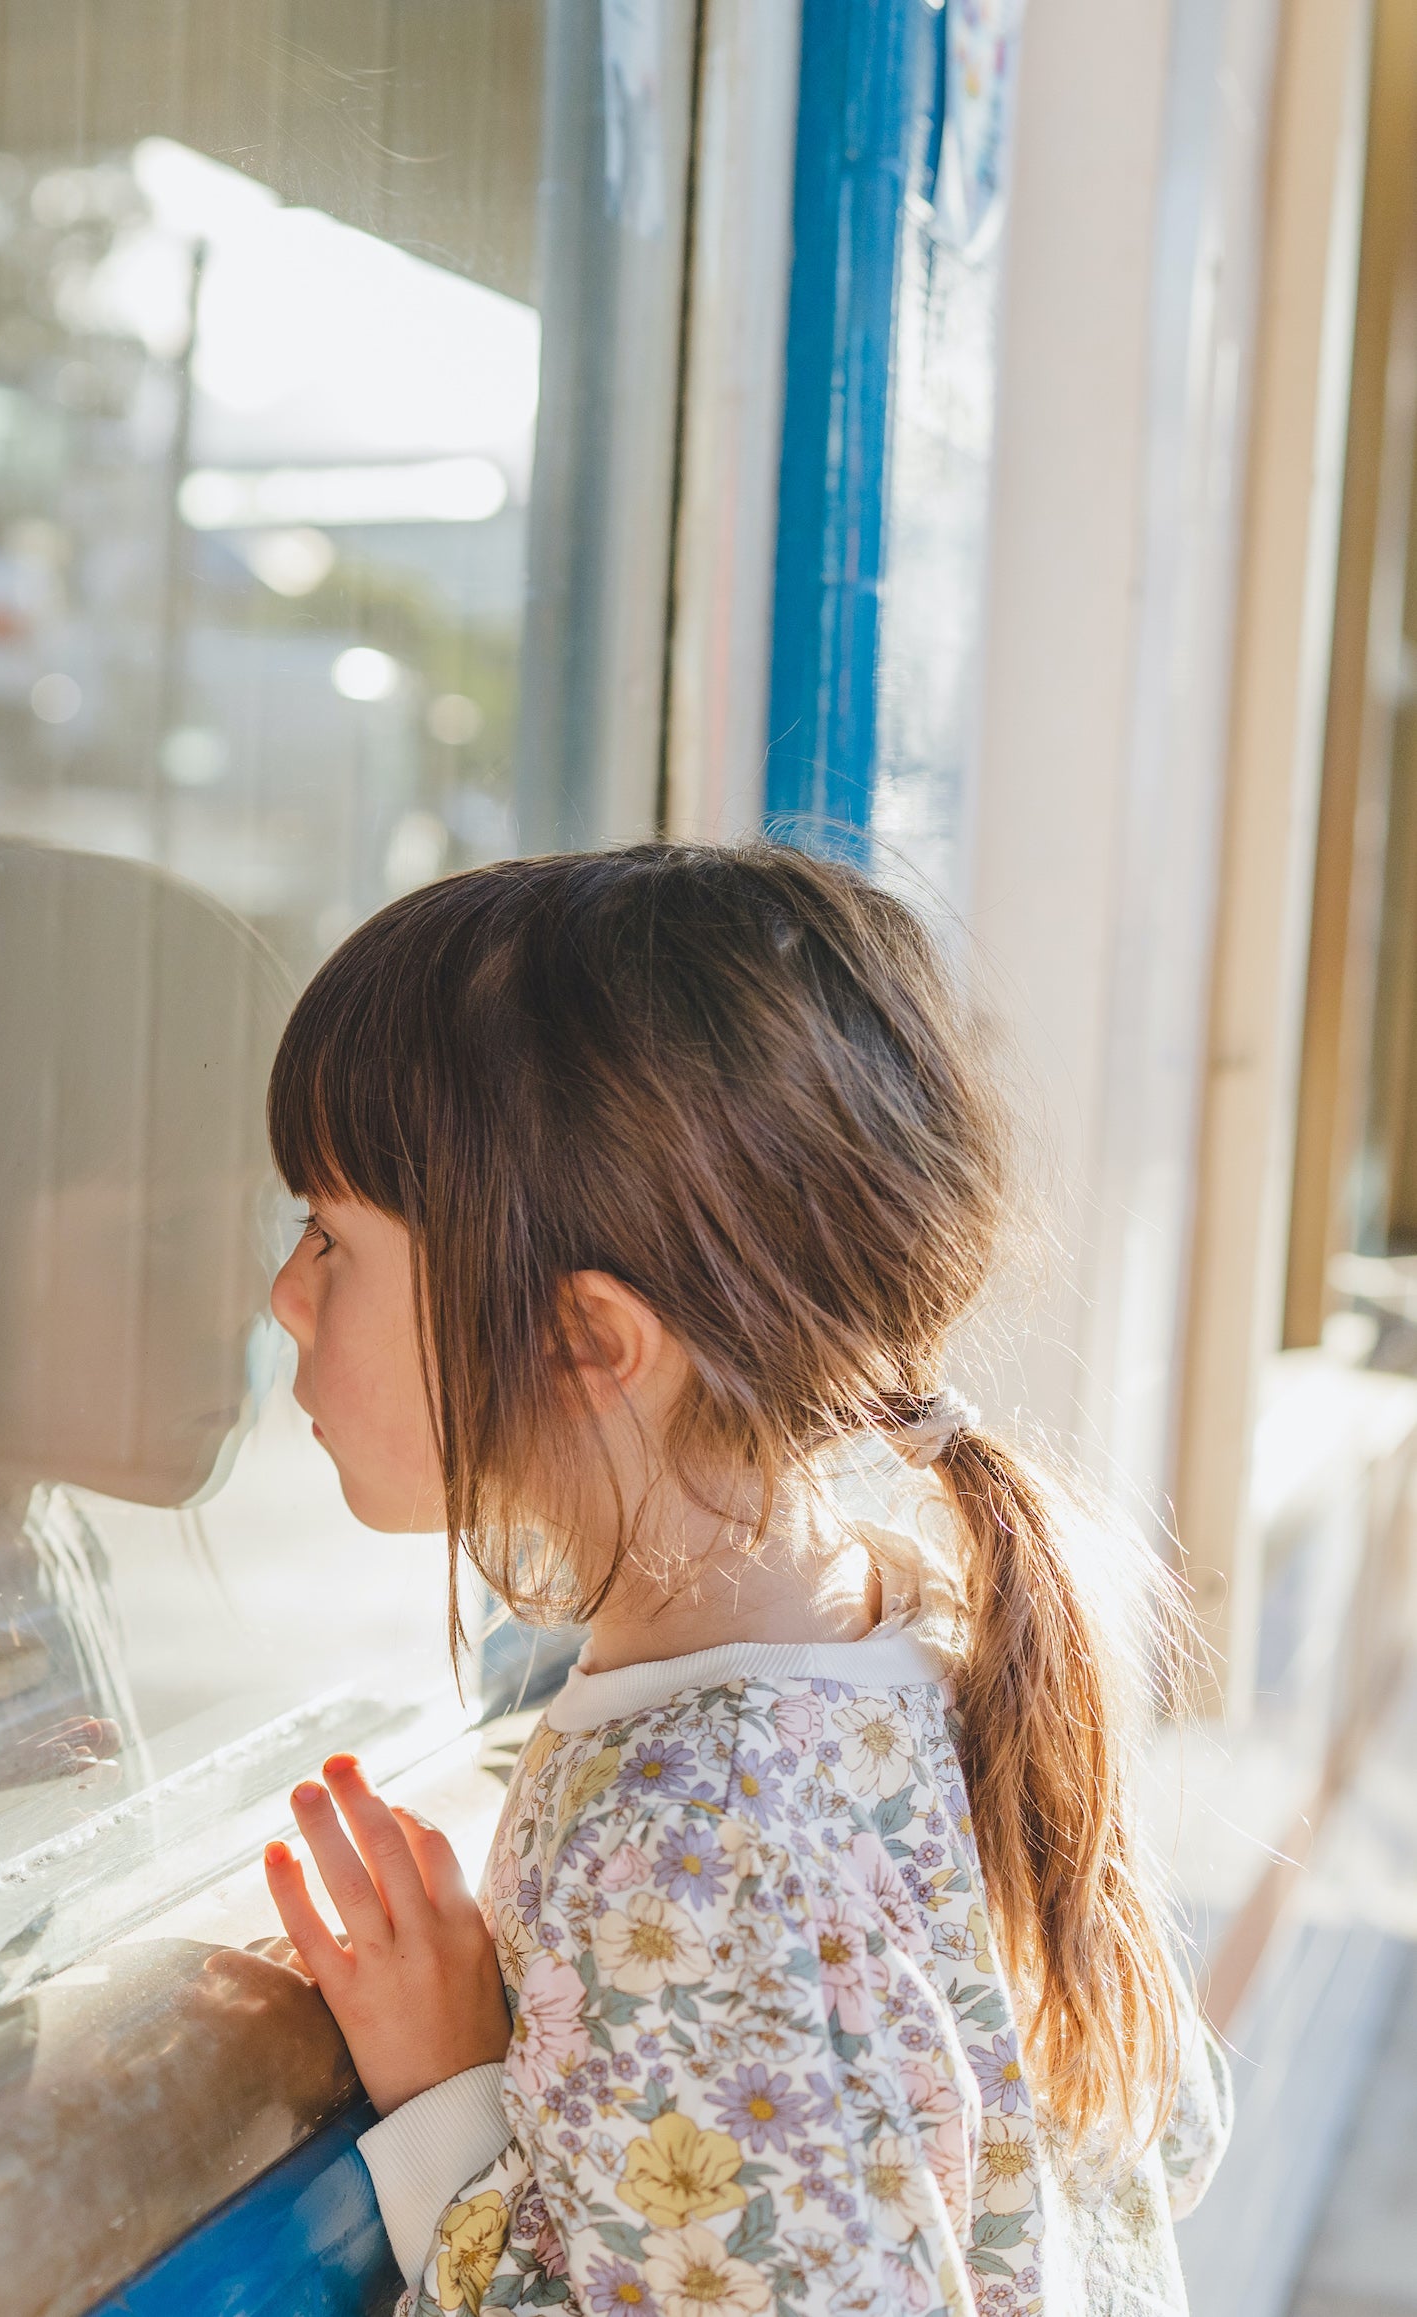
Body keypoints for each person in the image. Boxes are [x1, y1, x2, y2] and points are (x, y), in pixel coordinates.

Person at [255, 846, 1230, 2315]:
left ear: (584, 1339)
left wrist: (455, 2095)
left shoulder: (687, 1842)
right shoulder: (927, 1641)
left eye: (333, 1233)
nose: (287, 1286)